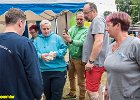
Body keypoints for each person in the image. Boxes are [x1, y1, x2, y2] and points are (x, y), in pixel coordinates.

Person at [0, 8, 43, 100]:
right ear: (20, 23)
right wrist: (39, 94)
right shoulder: (25, 43)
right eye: (25, 24)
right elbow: (34, 75)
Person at [104, 12, 140, 100]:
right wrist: (106, 89)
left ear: (118, 26)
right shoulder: (110, 47)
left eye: (108, 25)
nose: (106, 29)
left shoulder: (135, 44)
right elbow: (109, 71)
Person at [33, 20, 68, 100]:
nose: (46, 31)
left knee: (56, 94)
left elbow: (64, 48)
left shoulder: (57, 38)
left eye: (48, 29)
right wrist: (40, 56)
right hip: (43, 71)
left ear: (50, 28)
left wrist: (57, 53)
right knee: (47, 94)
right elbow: (33, 52)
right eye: (44, 29)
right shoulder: (36, 40)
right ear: (40, 29)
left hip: (58, 70)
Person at [82, 2, 109, 100]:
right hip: (96, 62)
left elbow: (99, 41)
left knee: (91, 91)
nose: (84, 15)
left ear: (93, 11)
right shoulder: (97, 20)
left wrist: (91, 61)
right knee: (95, 89)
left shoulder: (97, 20)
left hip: (95, 63)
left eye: (86, 13)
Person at [62, 12, 88, 100]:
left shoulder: (86, 30)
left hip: (80, 59)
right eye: (78, 19)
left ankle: (82, 97)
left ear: (84, 20)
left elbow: (81, 42)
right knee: (71, 76)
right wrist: (65, 36)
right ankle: (72, 93)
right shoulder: (72, 28)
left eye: (81, 19)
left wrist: (71, 40)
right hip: (71, 58)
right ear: (76, 19)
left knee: (81, 80)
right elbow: (67, 38)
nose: (79, 21)